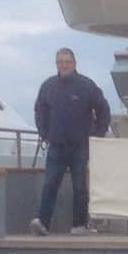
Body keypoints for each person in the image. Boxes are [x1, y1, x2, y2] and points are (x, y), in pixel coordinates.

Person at [28, 48, 111, 236]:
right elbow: (39, 110)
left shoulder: (86, 86)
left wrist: (97, 134)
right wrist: (44, 133)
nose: (63, 65)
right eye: (60, 61)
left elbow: (103, 110)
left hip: (80, 146)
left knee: (80, 186)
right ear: (56, 64)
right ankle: (43, 223)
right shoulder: (48, 86)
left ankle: (79, 225)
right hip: (56, 146)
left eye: (67, 61)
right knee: (49, 184)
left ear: (74, 64)